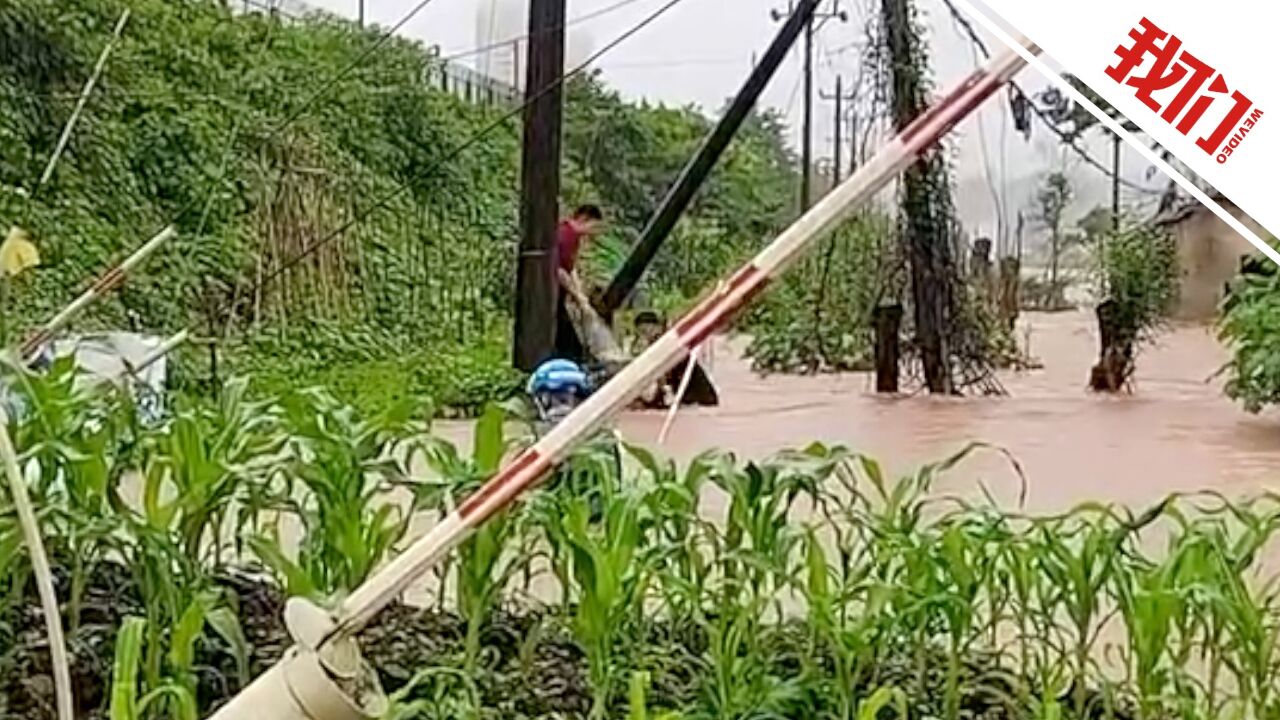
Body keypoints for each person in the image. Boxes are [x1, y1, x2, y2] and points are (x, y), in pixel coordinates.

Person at [554, 204, 605, 362]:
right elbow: (559, 270)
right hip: (552, 292)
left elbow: (571, 268)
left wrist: (580, 294)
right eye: (593, 226)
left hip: (560, 293)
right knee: (567, 342)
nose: (594, 232)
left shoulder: (574, 238)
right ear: (584, 219)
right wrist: (577, 295)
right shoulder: (565, 235)